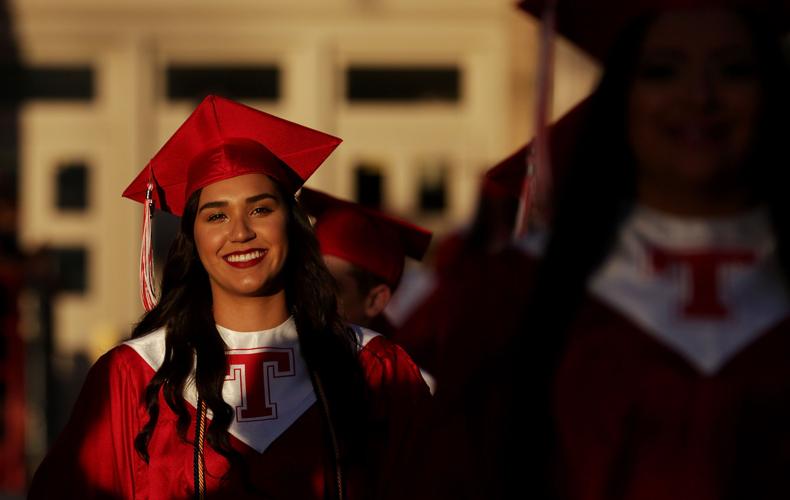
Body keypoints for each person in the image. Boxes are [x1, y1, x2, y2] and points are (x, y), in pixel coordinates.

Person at [28, 95, 430, 499]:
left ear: (291, 225)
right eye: (216, 215)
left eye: (261, 210)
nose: (240, 233)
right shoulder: (135, 374)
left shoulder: (373, 366)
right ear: (193, 238)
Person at [506, 1, 790, 498]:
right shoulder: (510, 297)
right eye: (662, 71)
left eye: (735, 70)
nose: (699, 96)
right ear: (621, 99)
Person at [298, 187, 432, 337]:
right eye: (306, 280)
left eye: (329, 287)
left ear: (375, 301)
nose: (308, 298)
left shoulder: (398, 352)